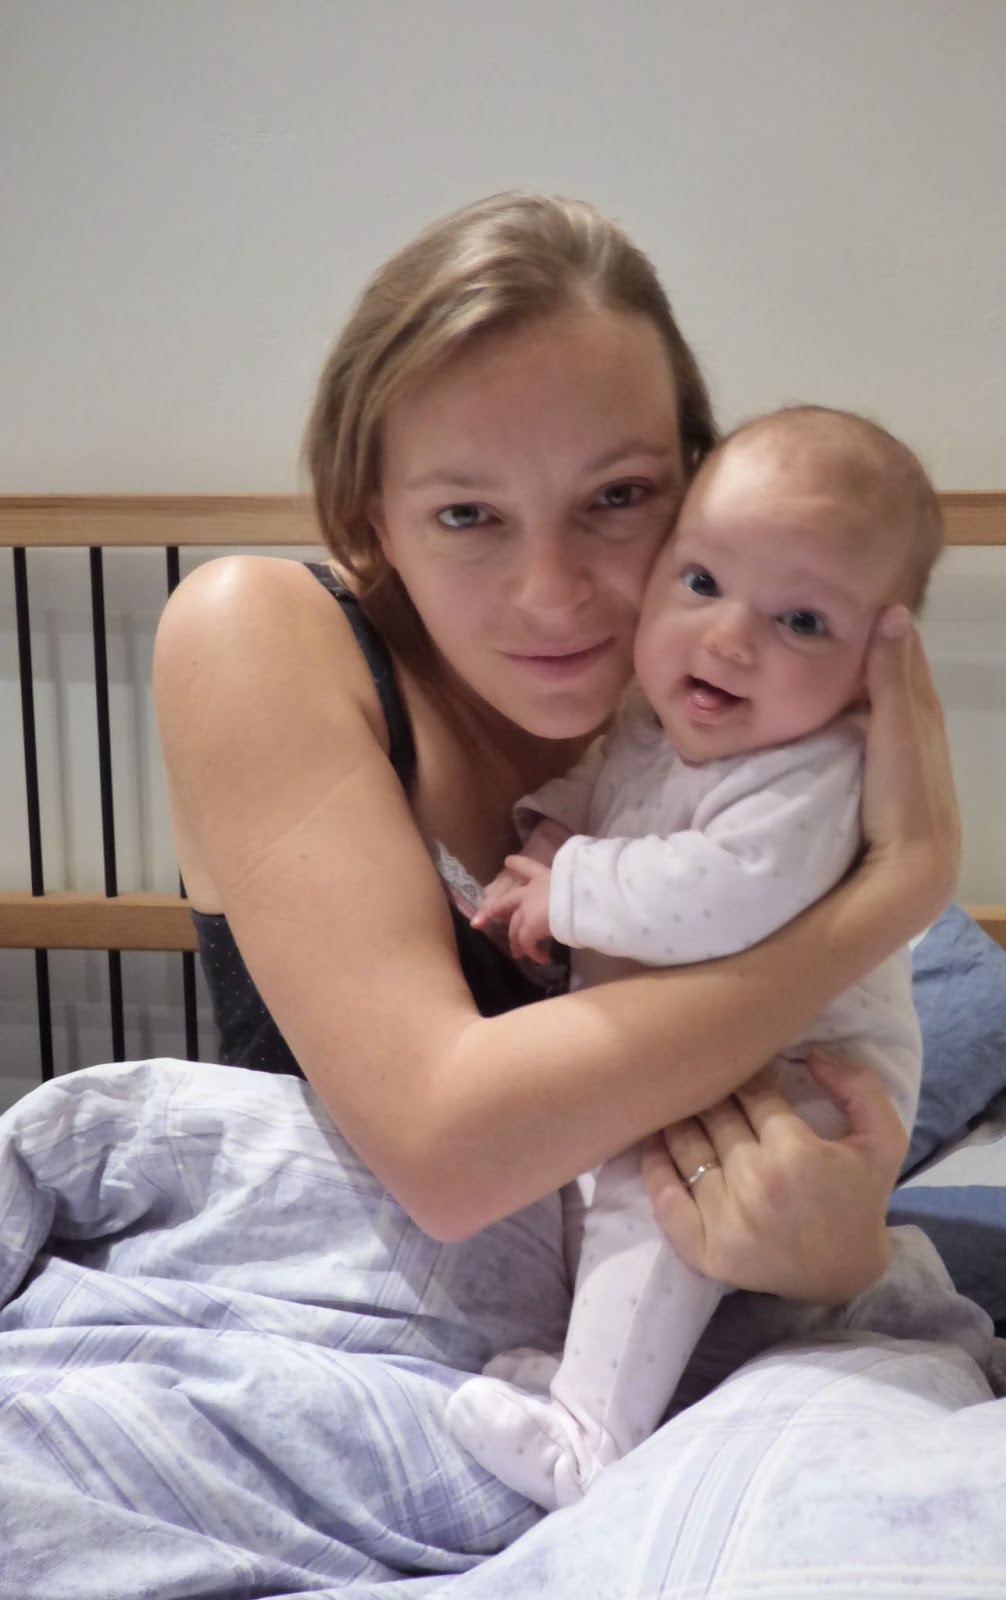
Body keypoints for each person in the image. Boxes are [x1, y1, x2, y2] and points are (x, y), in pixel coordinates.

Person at [153, 192, 958, 1338]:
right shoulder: (261, 630)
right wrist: (893, 895)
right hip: (348, 1329)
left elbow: (803, 1106)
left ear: (697, 484)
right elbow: (449, 1152)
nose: (552, 594)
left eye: (617, 498)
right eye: (467, 514)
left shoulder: (715, 705)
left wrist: (840, 1251)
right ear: (374, 521)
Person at [444, 405, 944, 1507]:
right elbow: (611, 783)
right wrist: (550, 829)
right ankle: (598, 1365)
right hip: (691, 1050)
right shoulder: (654, 713)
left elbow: (719, 895)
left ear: (872, 672)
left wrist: (572, 887)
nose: (728, 640)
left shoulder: (814, 768)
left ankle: (590, 1441)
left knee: (655, 1199)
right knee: (605, 1191)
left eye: (802, 620)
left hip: (795, 1082)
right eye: (704, 582)